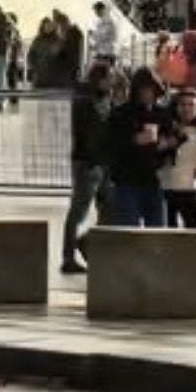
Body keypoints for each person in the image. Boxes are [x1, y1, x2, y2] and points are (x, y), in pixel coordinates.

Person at [101, 69, 172, 228]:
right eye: (143, 89)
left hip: (155, 181)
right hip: (127, 180)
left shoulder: (162, 114)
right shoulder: (121, 113)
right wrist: (133, 140)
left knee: (157, 234)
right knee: (129, 232)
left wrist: (167, 145)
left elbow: (172, 141)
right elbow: (109, 144)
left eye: (151, 89)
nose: (147, 93)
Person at [61, 63, 111, 273]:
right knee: (79, 210)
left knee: (109, 209)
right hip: (87, 161)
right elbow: (87, 132)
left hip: (102, 160)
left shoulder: (103, 98)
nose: (111, 82)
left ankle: (85, 243)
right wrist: (94, 157)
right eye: (108, 78)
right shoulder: (84, 100)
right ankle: (68, 256)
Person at [157, 88, 196, 229]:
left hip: (190, 186)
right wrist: (170, 143)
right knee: (169, 232)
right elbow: (157, 149)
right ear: (176, 106)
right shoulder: (167, 126)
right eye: (182, 104)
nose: (187, 109)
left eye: (191, 105)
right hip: (168, 187)